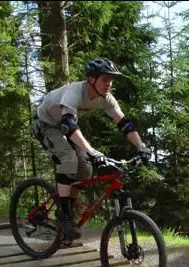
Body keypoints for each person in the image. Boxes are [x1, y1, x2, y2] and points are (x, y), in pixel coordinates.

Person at [31, 57, 152, 240]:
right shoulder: (74, 92)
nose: (109, 84)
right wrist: (91, 150)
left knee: (86, 168)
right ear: (91, 79)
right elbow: (68, 125)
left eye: (111, 80)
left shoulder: (106, 99)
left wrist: (141, 146)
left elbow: (125, 124)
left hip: (65, 127)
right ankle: (63, 215)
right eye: (105, 79)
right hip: (45, 124)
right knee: (69, 159)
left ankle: (68, 208)